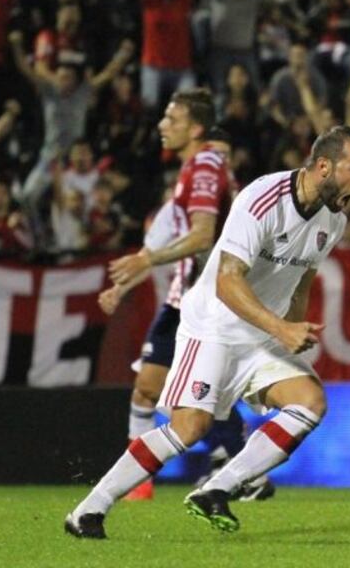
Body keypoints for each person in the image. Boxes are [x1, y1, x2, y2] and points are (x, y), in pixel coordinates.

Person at [65, 125, 350, 539]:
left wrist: (293, 328)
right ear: (323, 166)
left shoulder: (332, 220)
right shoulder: (262, 200)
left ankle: (217, 489)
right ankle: (89, 509)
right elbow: (228, 282)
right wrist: (282, 328)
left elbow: (300, 279)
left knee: (310, 403)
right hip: (214, 324)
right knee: (189, 428)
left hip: (263, 333)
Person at [90, 96, 247, 502]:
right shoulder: (190, 173)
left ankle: (240, 464)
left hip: (209, 302)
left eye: (171, 118)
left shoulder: (207, 165)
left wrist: (147, 261)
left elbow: (201, 236)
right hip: (186, 298)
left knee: (201, 394)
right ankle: (141, 481)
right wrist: (125, 283)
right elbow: (156, 244)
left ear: (196, 130)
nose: (162, 124)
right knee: (148, 388)